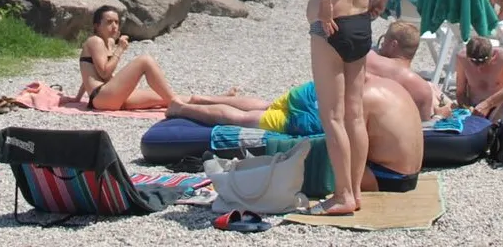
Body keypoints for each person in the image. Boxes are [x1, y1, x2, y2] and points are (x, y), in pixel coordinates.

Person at [303, 0, 419, 215]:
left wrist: (324, 3)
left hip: (331, 26)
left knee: (334, 116)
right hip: (360, 24)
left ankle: (343, 195)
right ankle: (353, 192)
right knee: (354, 115)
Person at [165, 76, 424, 193]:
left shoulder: (361, 95)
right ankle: (185, 107)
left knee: (261, 109)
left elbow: (349, 145)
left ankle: (193, 103)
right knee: (252, 118)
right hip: (398, 172)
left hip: (389, 175)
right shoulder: (390, 85)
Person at [76, 6, 185, 110]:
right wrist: (120, 49)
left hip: (109, 95)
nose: (114, 26)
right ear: (96, 26)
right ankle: (175, 104)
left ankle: (196, 101)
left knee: (162, 96)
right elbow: (104, 73)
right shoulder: (95, 41)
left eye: (116, 22)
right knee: (145, 60)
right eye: (109, 22)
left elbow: (88, 74)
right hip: (102, 96)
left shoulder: (109, 42)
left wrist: (77, 98)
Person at [369, 21, 453, 121]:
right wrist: (439, 116)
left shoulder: (367, 60)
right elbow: (424, 131)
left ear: (393, 45)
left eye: (384, 39)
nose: (382, 43)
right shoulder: (421, 88)